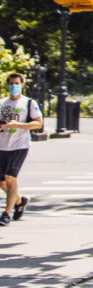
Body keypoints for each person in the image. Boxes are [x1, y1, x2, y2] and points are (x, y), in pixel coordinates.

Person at [0, 73, 42, 226]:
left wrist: (17, 125)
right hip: (2, 145)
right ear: (7, 85)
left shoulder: (29, 103)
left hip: (19, 145)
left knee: (10, 177)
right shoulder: (2, 103)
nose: (13, 86)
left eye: (16, 83)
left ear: (22, 85)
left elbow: (38, 123)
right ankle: (19, 201)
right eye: (11, 83)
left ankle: (6, 213)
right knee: (2, 181)